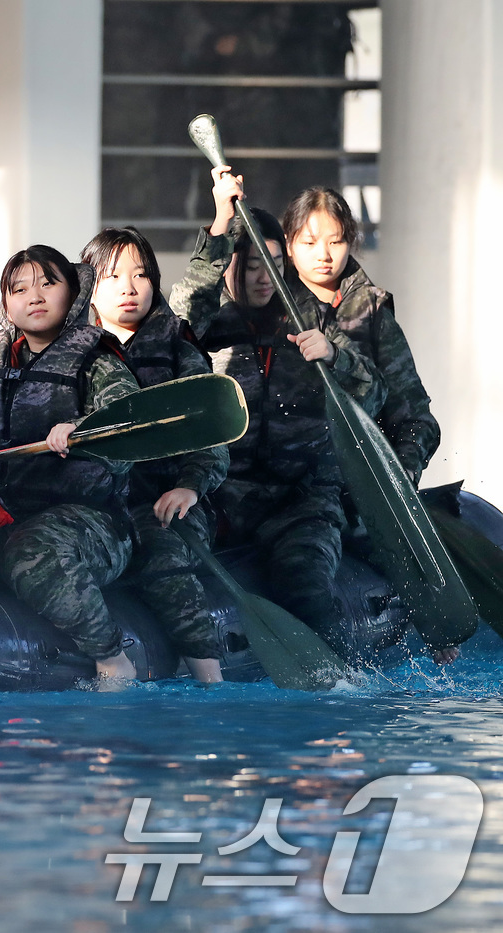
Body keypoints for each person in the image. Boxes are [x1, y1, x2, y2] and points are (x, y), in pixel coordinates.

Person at [168, 166, 384, 654]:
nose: (262, 278)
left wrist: (337, 356)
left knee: (304, 581)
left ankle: (339, 684)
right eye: (248, 266)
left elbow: (374, 396)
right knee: (164, 554)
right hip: (222, 495)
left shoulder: (316, 322)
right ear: (229, 268)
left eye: (271, 265)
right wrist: (221, 220)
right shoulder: (205, 327)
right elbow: (179, 314)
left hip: (302, 500)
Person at [0, 245, 143, 688]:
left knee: (34, 550)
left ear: (73, 294)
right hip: (6, 511)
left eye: (48, 284)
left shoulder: (97, 360)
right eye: (20, 288)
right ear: (7, 303)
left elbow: (128, 424)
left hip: (94, 521)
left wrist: (80, 428)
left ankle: (112, 657)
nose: (35, 296)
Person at [82, 227, 226, 683]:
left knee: (165, 558)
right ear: (87, 285)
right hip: (91, 506)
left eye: (141, 275)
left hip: (160, 501)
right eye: (113, 277)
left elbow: (213, 433)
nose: (129, 288)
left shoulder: (177, 348)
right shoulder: (70, 348)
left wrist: (190, 486)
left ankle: (210, 678)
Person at [281, 186, 440, 487]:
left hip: (355, 481)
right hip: (276, 482)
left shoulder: (372, 310)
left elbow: (413, 411)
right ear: (289, 244)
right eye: (310, 242)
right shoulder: (269, 302)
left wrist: (403, 469)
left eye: (336, 241)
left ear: (350, 242)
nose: (323, 255)